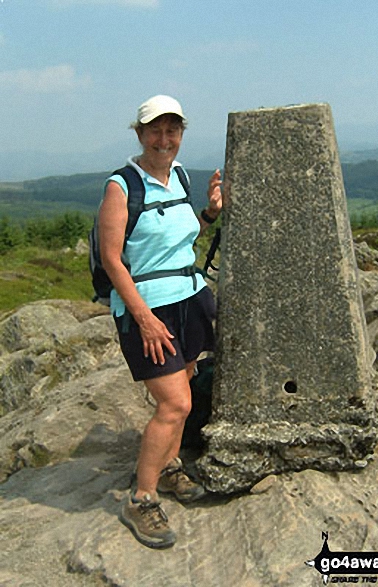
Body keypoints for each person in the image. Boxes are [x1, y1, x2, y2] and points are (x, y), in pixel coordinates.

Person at [98, 95, 222, 549]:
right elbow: (113, 260)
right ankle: (141, 497)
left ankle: (168, 469)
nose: (164, 139)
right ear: (140, 133)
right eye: (155, 130)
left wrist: (209, 211)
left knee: (186, 388)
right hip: (150, 309)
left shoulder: (179, 177)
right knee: (175, 405)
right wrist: (144, 319)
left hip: (190, 297)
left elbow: (183, 235)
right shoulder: (122, 185)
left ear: (181, 135)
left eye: (173, 130)